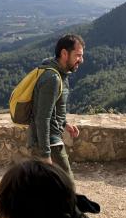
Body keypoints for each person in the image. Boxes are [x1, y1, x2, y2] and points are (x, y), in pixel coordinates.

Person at [28, 34, 84, 179]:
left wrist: (64, 124)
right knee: (67, 186)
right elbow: (42, 118)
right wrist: (46, 155)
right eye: (78, 55)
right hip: (50, 144)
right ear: (64, 53)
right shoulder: (52, 78)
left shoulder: (60, 74)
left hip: (49, 141)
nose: (81, 60)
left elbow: (52, 110)